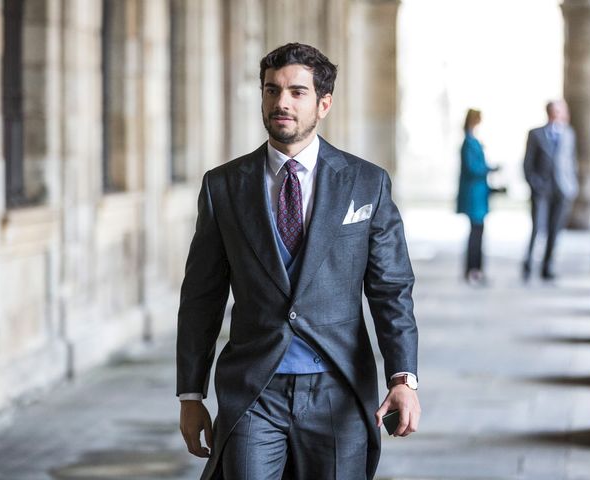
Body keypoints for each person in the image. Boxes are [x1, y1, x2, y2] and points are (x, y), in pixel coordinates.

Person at [176, 43, 420, 480]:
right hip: (254, 391)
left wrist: (403, 378)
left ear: (324, 103)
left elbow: (391, 289)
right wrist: (191, 394)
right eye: (271, 90)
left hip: (337, 389)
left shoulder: (366, 183)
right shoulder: (224, 186)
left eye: (296, 92)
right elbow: (201, 297)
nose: (281, 102)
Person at [522, 100, 578, 281]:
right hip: (542, 189)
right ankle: (528, 263)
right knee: (537, 227)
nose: (557, 114)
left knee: (555, 229)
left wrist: (572, 186)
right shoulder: (536, 134)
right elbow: (528, 163)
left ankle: (547, 266)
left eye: (560, 111)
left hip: (561, 189)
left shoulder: (568, 134)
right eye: (554, 111)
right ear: (548, 113)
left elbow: (571, 162)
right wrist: (534, 184)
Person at [456, 109, 499, 285]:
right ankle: (472, 270)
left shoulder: (474, 141)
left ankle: (477, 269)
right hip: (473, 195)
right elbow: (472, 168)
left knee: (479, 233)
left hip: (480, 193)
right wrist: (490, 169)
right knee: (475, 234)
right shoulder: (468, 143)